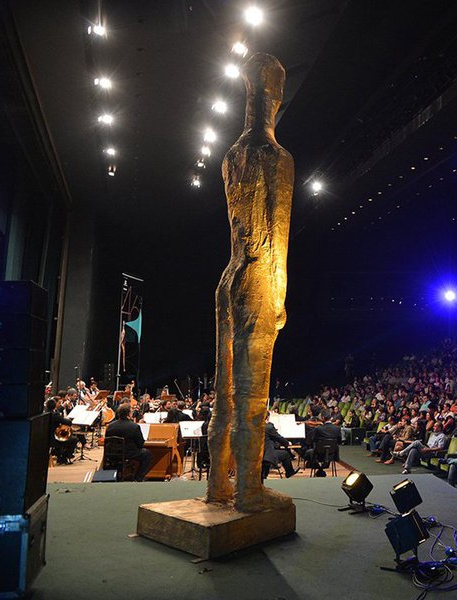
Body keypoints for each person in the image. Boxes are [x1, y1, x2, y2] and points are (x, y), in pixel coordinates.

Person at [208, 53, 293, 512]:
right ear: (273, 96)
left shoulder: (232, 154)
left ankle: (218, 486)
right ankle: (247, 491)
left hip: (228, 276)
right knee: (252, 398)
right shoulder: (276, 157)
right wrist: (279, 296)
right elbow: (275, 234)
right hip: (257, 278)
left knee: (224, 395)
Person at [104, 403, 154, 481]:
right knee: (147, 454)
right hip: (129, 453)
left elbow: (107, 441)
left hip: (113, 453)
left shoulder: (110, 426)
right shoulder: (134, 426)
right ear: (129, 414)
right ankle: (138, 478)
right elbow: (140, 444)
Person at [262, 411, 296, 479]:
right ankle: (289, 472)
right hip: (266, 454)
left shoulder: (254, 427)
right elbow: (278, 438)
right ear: (268, 417)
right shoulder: (268, 427)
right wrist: (287, 443)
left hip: (255, 454)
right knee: (285, 454)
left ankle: (264, 475)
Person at [46, 398, 77, 464]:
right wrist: (68, 419)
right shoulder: (55, 415)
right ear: (55, 406)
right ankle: (65, 457)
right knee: (74, 439)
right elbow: (68, 422)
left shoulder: (45, 413)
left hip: (46, 437)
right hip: (54, 439)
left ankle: (60, 455)